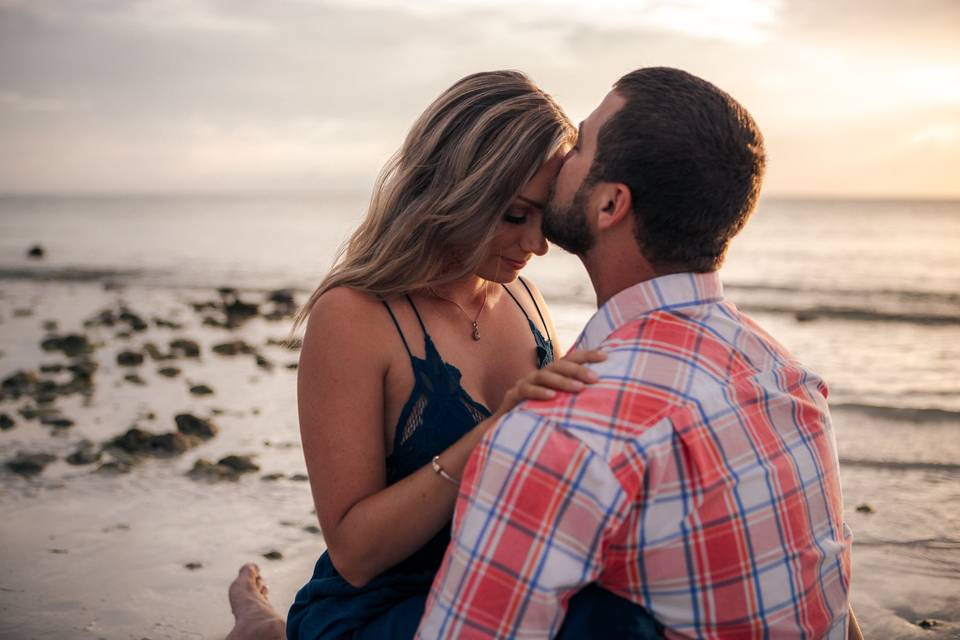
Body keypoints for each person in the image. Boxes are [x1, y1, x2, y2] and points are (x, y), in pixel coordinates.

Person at [417, 67, 859, 639]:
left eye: (580, 144)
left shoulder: (558, 437)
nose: (561, 157)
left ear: (610, 205)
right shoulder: (788, 379)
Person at [224, 70, 620, 640]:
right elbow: (355, 553)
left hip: (497, 586)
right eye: (515, 215)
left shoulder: (525, 299)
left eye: (546, 219)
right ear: (455, 191)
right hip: (379, 611)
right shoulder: (354, 316)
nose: (536, 245)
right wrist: (494, 433)